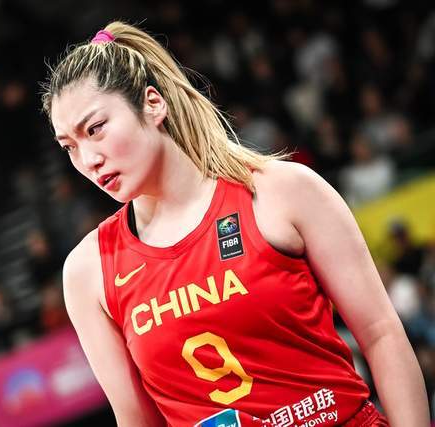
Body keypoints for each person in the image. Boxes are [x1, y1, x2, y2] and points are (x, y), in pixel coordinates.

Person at [40, 22, 428, 427]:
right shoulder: (88, 272)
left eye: (96, 129)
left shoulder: (283, 191)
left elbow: (381, 334)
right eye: (70, 146)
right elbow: (137, 421)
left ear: (153, 104)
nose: (88, 160)